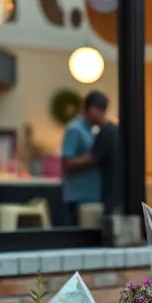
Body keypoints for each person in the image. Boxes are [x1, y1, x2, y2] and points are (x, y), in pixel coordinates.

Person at [61, 91, 108, 225]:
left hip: (92, 196)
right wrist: (93, 158)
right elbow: (67, 163)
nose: (103, 115)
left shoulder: (93, 130)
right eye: (101, 110)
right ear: (91, 109)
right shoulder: (75, 129)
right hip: (77, 198)